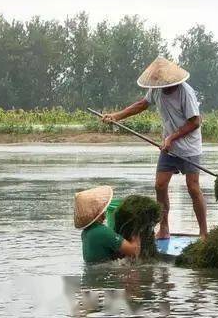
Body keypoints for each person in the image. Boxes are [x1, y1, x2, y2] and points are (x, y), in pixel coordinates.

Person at [101, 56, 207, 240]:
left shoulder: (185, 92)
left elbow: (195, 122)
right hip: (169, 149)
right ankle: (164, 228)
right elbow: (142, 105)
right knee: (159, 185)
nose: (162, 86)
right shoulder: (156, 90)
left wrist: (172, 137)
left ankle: (204, 233)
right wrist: (117, 116)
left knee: (193, 188)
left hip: (189, 148)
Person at [74, 185, 141, 263]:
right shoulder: (102, 232)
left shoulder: (85, 233)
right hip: (105, 272)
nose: (105, 210)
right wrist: (137, 227)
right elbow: (134, 251)